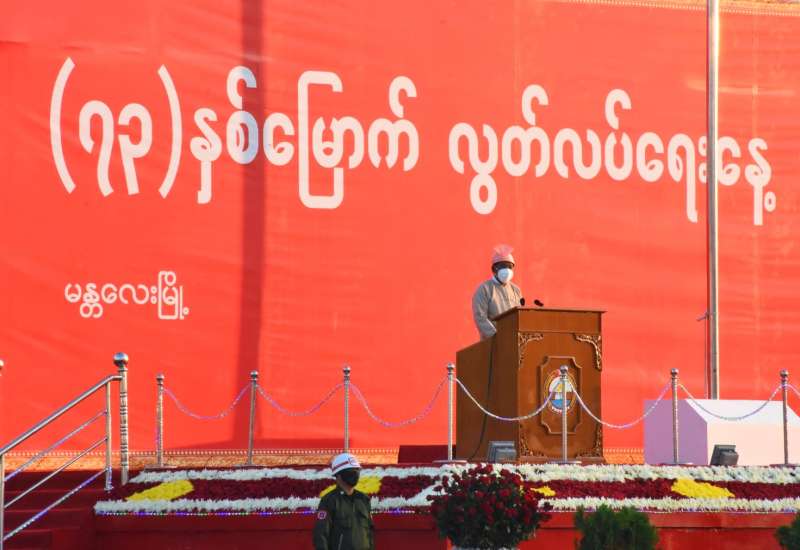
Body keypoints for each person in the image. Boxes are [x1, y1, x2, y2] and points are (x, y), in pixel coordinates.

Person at [312, 452, 375, 550]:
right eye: (351, 471)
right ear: (338, 475)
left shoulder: (364, 499)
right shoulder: (329, 501)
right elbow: (321, 535)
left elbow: (369, 533)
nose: (355, 474)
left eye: (357, 470)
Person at [472, 244, 524, 339]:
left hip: (514, 340)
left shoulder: (516, 290)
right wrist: (497, 336)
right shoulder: (484, 289)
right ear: (494, 269)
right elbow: (480, 317)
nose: (507, 270)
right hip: (493, 342)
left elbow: (521, 316)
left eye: (510, 266)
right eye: (503, 266)